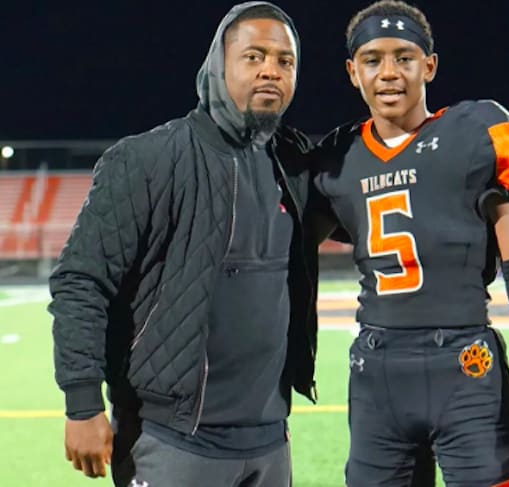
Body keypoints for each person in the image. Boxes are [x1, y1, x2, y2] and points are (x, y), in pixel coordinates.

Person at [49, 3, 321, 486]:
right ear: (218, 64)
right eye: (253, 55)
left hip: (270, 440)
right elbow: (81, 282)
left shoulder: (295, 165)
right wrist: (82, 402)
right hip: (171, 439)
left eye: (285, 61)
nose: (270, 70)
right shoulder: (148, 159)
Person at [311, 1, 509, 486]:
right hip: (376, 377)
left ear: (429, 65)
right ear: (353, 72)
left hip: (465, 372)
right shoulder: (336, 158)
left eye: (404, 57)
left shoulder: (476, 133)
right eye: (372, 59)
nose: (389, 73)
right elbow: (282, 261)